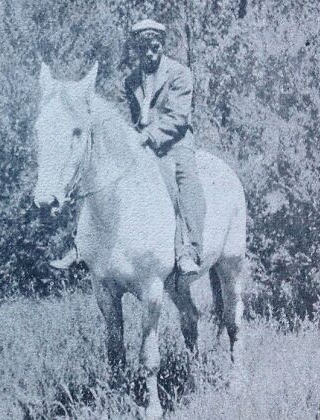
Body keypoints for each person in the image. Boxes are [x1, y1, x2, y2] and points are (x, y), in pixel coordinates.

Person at [51, 18, 205, 275]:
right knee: (94, 174)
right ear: (136, 49)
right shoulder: (131, 80)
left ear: (162, 46)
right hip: (141, 144)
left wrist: (147, 136)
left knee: (184, 180)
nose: (149, 53)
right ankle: (81, 245)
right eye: (143, 48)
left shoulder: (179, 74)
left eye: (154, 47)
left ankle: (188, 250)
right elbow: (126, 117)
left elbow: (178, 117)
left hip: (175, 143)